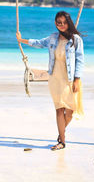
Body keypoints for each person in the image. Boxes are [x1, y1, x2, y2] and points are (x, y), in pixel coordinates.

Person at [16, 11, 84, 150]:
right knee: (59, 110)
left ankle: (61, 134)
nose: (62, 25)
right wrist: (21, 40)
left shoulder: (76, 39)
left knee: (70, 111)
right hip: (54, 78)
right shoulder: (53, 38)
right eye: (59, 22)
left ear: (68, 23)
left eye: (64, 22)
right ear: (55, 23)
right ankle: (62, 141)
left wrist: (77, 79)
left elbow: (80, 60)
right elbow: (39, 43)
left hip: (69, 80)